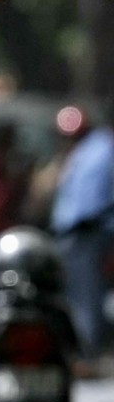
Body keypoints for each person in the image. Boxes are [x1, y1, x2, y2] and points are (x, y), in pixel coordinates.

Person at [48, 104, 114, 375]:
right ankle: (77, 352)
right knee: (72, 297)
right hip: (70, 235)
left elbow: (93, 199)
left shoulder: (102, 148)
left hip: (89, 232)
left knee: (87, 296)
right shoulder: (76, 154)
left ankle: (88, 354)